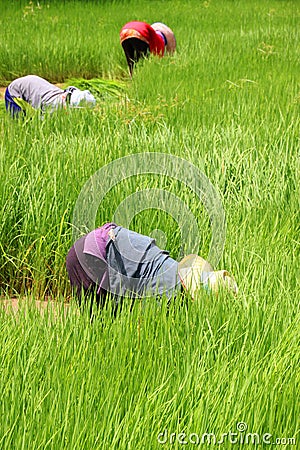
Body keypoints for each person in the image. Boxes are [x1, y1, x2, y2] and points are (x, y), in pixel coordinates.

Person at [66, 223, 238, 313]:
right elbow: (145, 325)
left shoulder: (173, 270)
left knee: (110, 318)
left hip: (94, 245)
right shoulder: (170, 291)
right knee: (100, 326)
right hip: (89, 257)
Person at [5, 75, 96, 118]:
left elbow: (71, 88)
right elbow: (42, 124)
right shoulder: (53, 106)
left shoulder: (72, 93)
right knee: (21, 122)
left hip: (32, 83)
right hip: (15, 91)